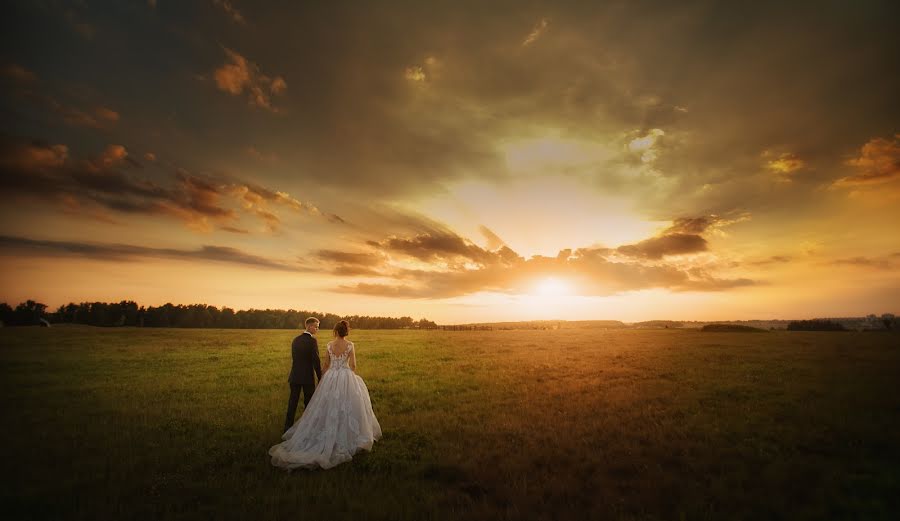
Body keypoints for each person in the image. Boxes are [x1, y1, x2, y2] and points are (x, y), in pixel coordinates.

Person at [270, 320, 382, 470]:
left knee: (327, 405)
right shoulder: (350, 345)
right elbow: (353, 365)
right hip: (345, 376)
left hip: (331, 376)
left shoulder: (329, 345)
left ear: (335, 331)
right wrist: (349, 376)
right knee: (348, 405)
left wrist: (323, 379)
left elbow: (326, 364)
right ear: (346, 332)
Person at [283, 317, 322, 433]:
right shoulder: (312, 341)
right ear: (309, 326)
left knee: (292, 403)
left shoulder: (295, 340)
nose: (317, 329)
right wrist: (320, 377)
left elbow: (295, 359)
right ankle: (307, 429)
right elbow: (316, 361)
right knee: (308, 403)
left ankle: (287, 427)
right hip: (307, 377)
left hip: (295, 376)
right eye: (316, 326)